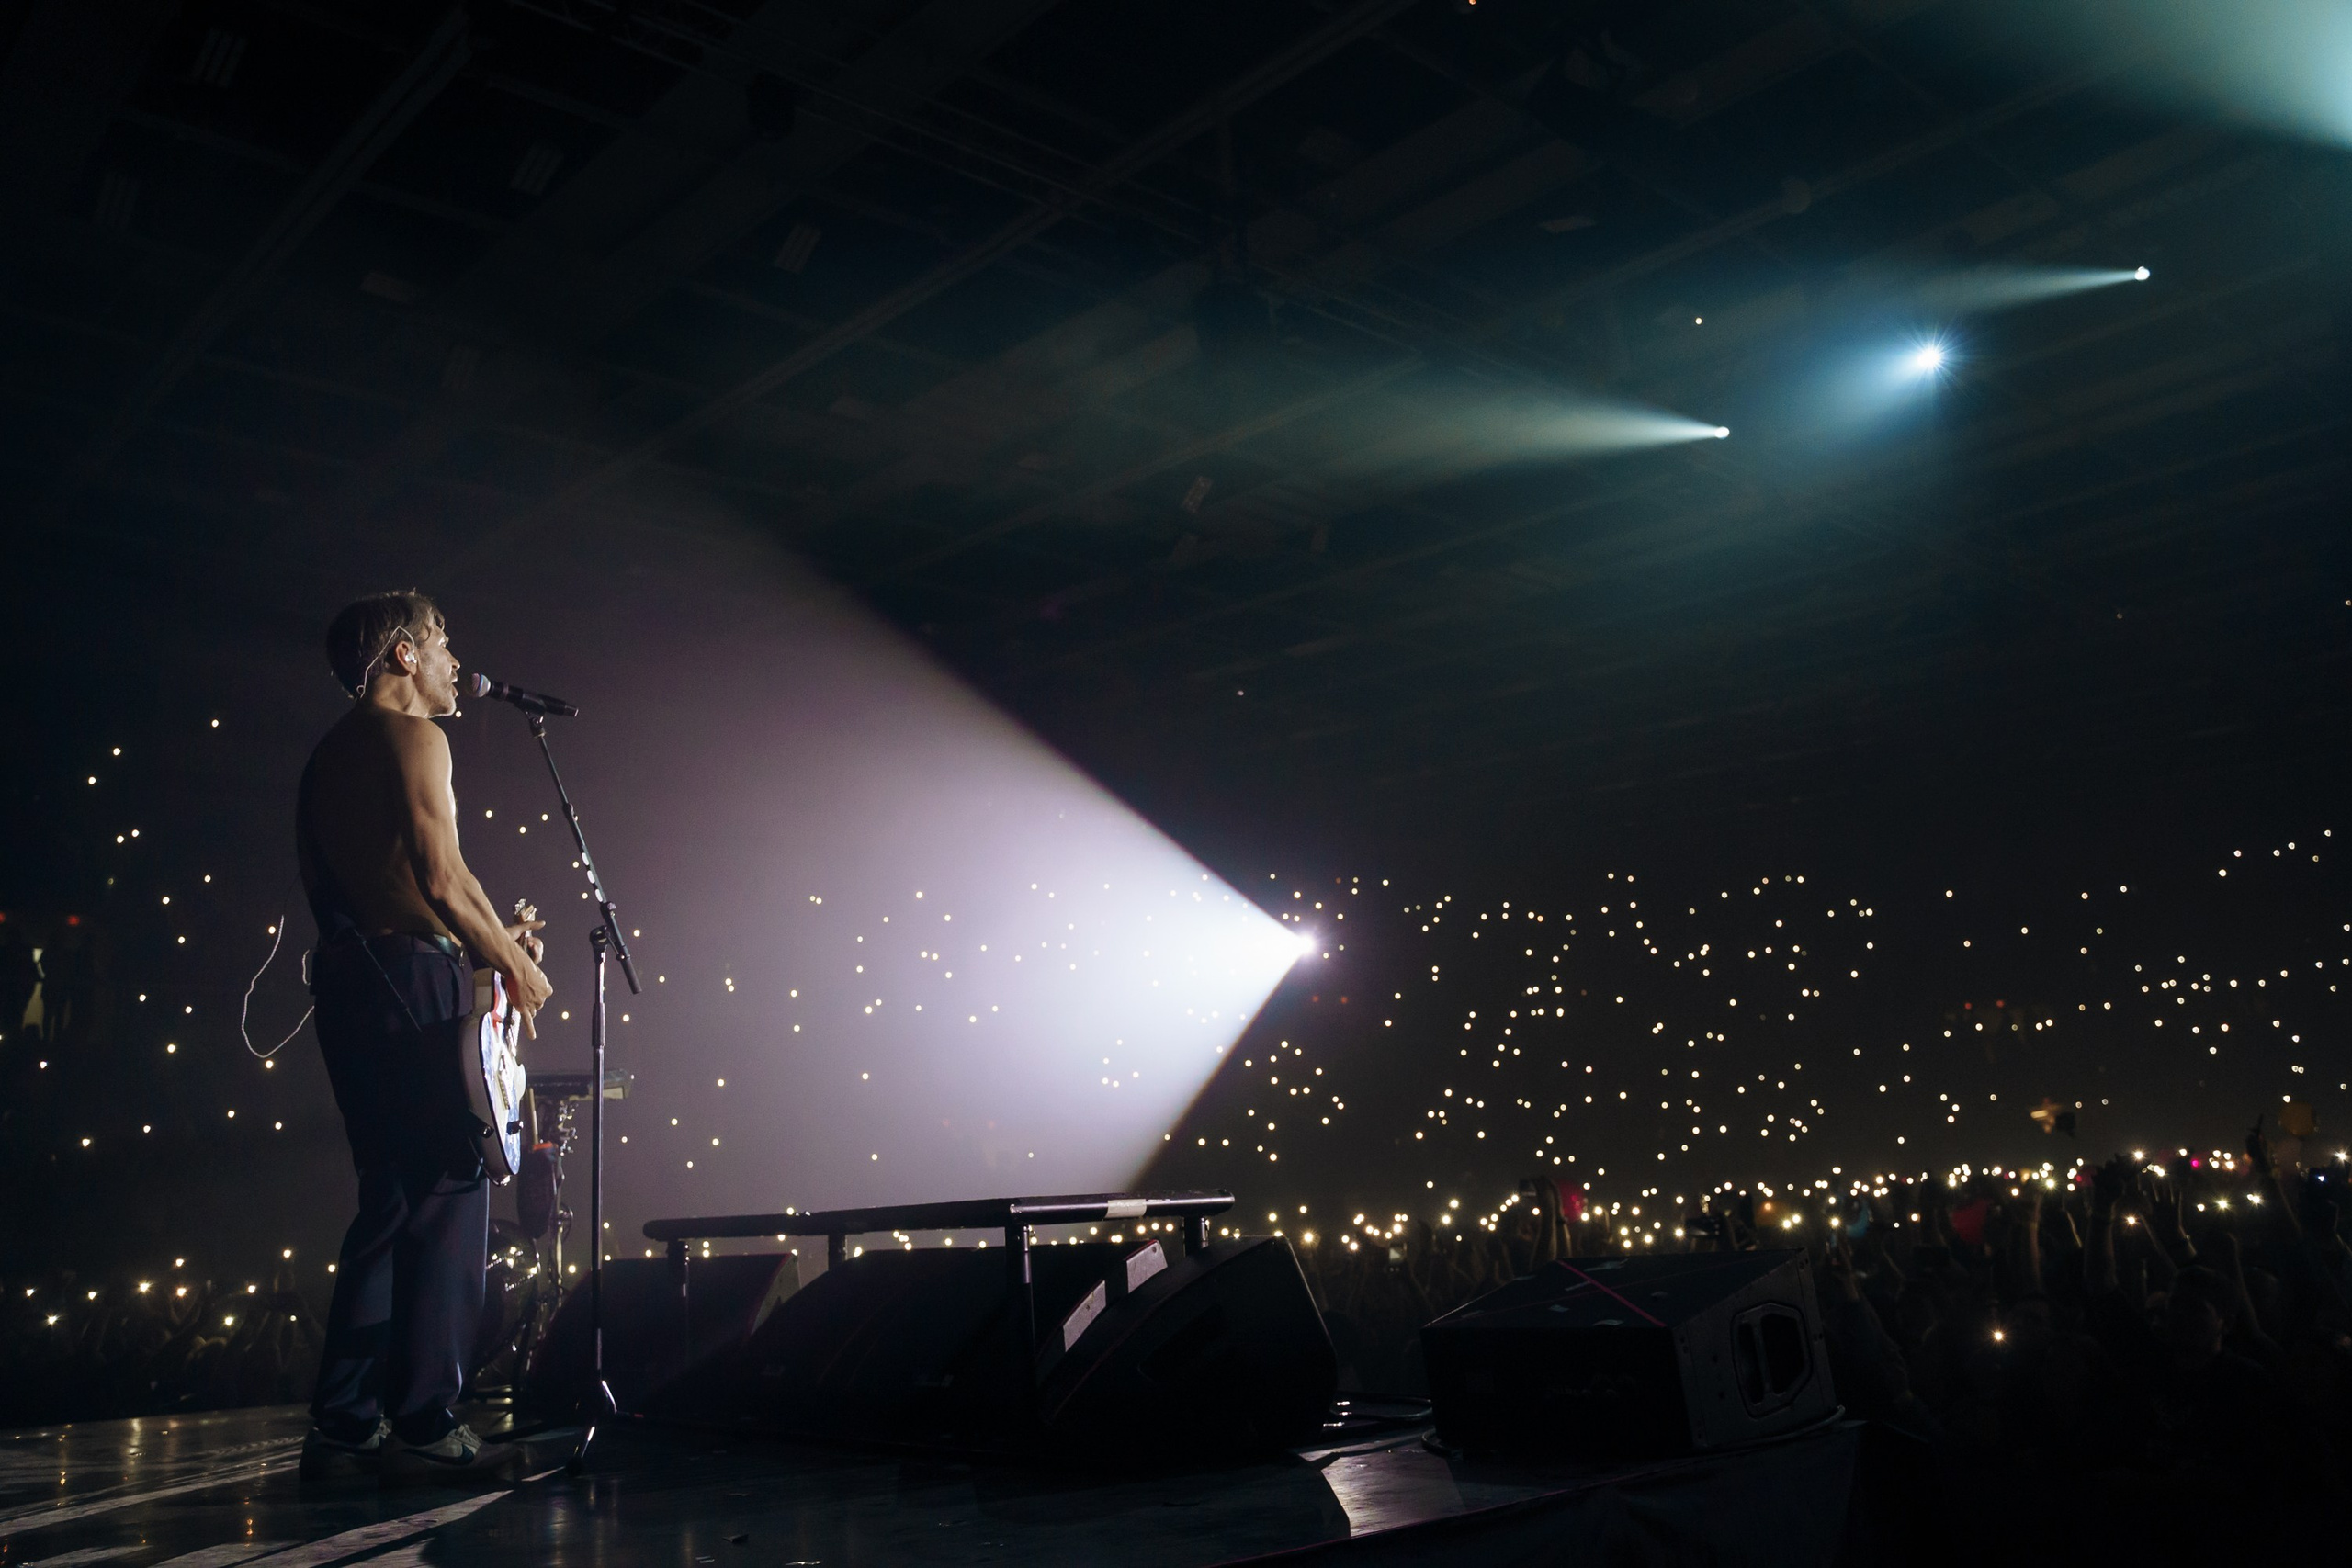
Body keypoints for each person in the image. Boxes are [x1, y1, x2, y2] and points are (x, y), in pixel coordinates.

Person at [296, 591, 552, 1483]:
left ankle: (345, 1415)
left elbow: (445, 881)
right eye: (444, 645)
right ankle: (424, 1412)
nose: (455, 664)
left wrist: (496, 946)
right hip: (406, 977)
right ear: (404, 655)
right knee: (450, 1188)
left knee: (392, 1198)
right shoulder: (417, 738)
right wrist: (512, 970)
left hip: (353, 979)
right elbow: (442, 881)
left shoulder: (332, 753)